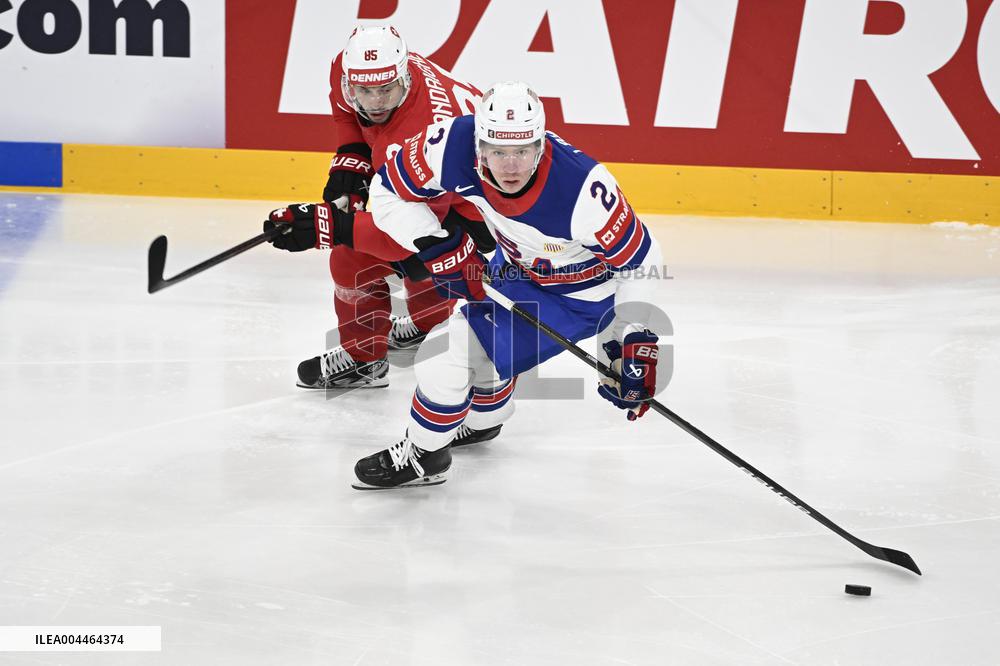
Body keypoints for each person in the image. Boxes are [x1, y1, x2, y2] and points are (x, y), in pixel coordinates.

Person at [341, 81, 665, 489]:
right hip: (515, 273)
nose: (510, 166)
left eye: (522, 152)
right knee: (477, 358)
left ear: (541, 145)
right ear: (479, 146)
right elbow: (387, 190)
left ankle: (424, 455)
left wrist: (633, 336)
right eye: (498, 152)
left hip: (585, 297)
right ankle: (483, 421)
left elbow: (643, 261)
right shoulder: (451, 145)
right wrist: (433, 241)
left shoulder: (582, 189)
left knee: (441, 356)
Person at [264, 24, 490, 391]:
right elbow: (347, 116)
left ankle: (366, 358)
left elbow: (415, 237)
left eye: (386, 89)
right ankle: (425, 324)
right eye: (365, 91)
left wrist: (330, 226)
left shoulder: (421, 133)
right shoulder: (350, 69)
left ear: (402, 76)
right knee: (407, 243)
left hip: (488, 225)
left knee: (351, 257)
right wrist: (351, 156)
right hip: (457, 197)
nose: (376, 101)